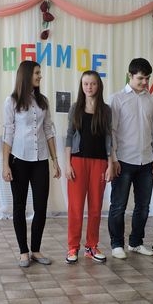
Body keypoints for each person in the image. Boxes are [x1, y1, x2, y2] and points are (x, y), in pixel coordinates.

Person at [2, 61, 60, 268]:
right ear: (26, 75)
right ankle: (23, 252)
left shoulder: (43, 101)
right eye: (37, 73)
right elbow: (8, 133)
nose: (40, 76)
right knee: (19, 206)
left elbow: (49, 130)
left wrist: (55, 161)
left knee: (41, 207)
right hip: (18, 159)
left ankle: (36, 249)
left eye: (40, 73)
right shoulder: (11, 101)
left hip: (40, 160)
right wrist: (5, 165)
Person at [107, 57, 153, 259]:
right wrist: (113, 159)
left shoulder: (152, 100)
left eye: (147, 78)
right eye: (140, 78)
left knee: (144, 207)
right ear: (129, 76)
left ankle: (136, 242)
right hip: (122, 160)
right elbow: (111, 132)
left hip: (146, 161)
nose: (144, 82)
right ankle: (116, 244)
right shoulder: (116, 99)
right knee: (118, 206)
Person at [64, 71, 114, 264]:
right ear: (81, 86)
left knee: (95, 208)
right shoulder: (75, 108)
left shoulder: (106, 110)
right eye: (86, 84)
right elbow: (69, 137)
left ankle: (91, 246)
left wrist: (110, 164)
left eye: (93, 83)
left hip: (99, 163)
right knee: (75, 208)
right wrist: (67, 164)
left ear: (98, 86)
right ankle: (72, 247)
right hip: (77, 161)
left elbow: (109, 138)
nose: (89, 87)